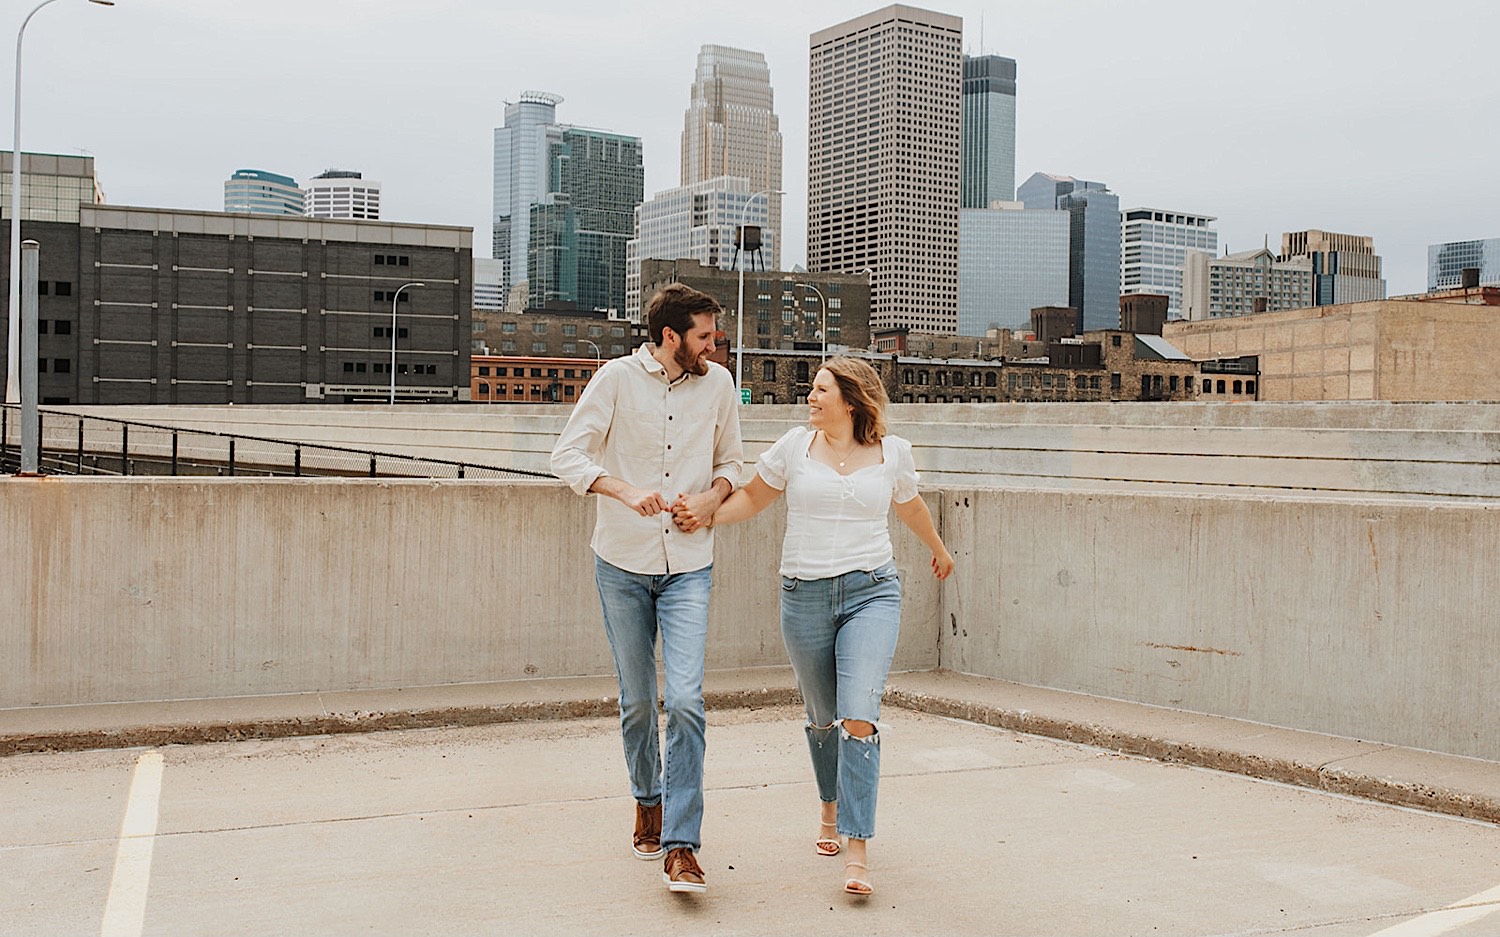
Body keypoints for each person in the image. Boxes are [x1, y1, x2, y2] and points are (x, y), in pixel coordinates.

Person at [676, 355, 953, 898]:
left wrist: (939, 550)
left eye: (821, 389)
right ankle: (829, 807)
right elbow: (754, 497)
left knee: (859, 716)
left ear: (850, 400)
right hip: (804, 595)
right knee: (823, 717)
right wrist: (707, 514)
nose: (811, 396)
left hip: (873, 592)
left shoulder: (892, 454)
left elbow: (911, 506)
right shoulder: (792, 448)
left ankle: (857, 847)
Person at [551, 283, 743, 894]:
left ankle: (682, 845)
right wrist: (625, 490)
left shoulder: (718, 386)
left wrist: (711, 502)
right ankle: (648, 800)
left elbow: (733, 464)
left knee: (685, 701)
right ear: (670, 337)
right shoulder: (613, 380)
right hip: (622, 564)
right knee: (637, 702)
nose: (716, 347)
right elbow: (568, 458)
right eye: (705, 337)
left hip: (689, 563)